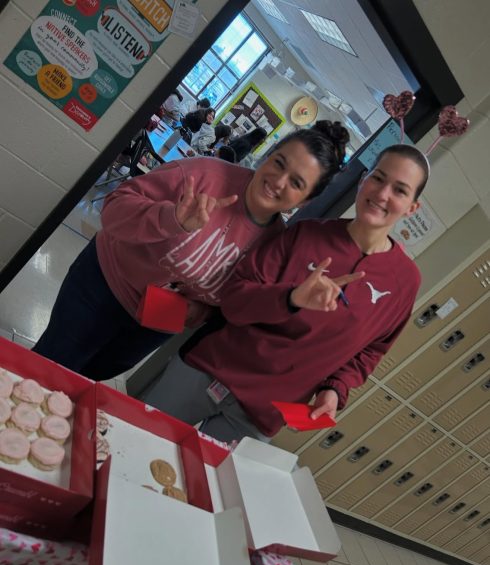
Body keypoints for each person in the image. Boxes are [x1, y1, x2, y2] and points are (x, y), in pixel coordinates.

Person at [145, 144, 428, 443]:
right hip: (206, 370)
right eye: (378, 178)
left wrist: (335, 389)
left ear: (412, 207)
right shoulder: (306, 234)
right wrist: (290, 298)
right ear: (363, 180)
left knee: (198, 485)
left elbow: (370, 351)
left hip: (261, 414)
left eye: (399, 190)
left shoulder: (404, 282)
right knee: (131, 442)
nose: (382, 194)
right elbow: (235, 301)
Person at [32, 121, 349, 381]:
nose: (277, 181)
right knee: (45, 370)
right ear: (267, 155)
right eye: (278, 162)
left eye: (296, 183)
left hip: (153, 325)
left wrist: (205, 311)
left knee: (85, 383)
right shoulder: (205, 176)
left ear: (305, 201)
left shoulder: (275, 244)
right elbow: (114, 210)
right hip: (104, 287)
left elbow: (240, 297)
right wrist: (172, 219)